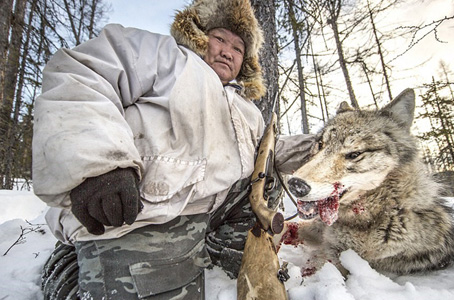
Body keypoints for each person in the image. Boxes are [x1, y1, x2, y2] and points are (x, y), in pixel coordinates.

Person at [33, 0, 315, 299]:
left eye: (238, 48)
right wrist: (100, 165)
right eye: (220, 39)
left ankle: (219, 251)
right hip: (135, 214)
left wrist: (325, 146)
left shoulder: (246, 109)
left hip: (208, 213)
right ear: (198, 35)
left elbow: (267, 151)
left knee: (265, 179)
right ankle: (71, 266)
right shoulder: (163, 54)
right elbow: (81, 74)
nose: (227, 51)